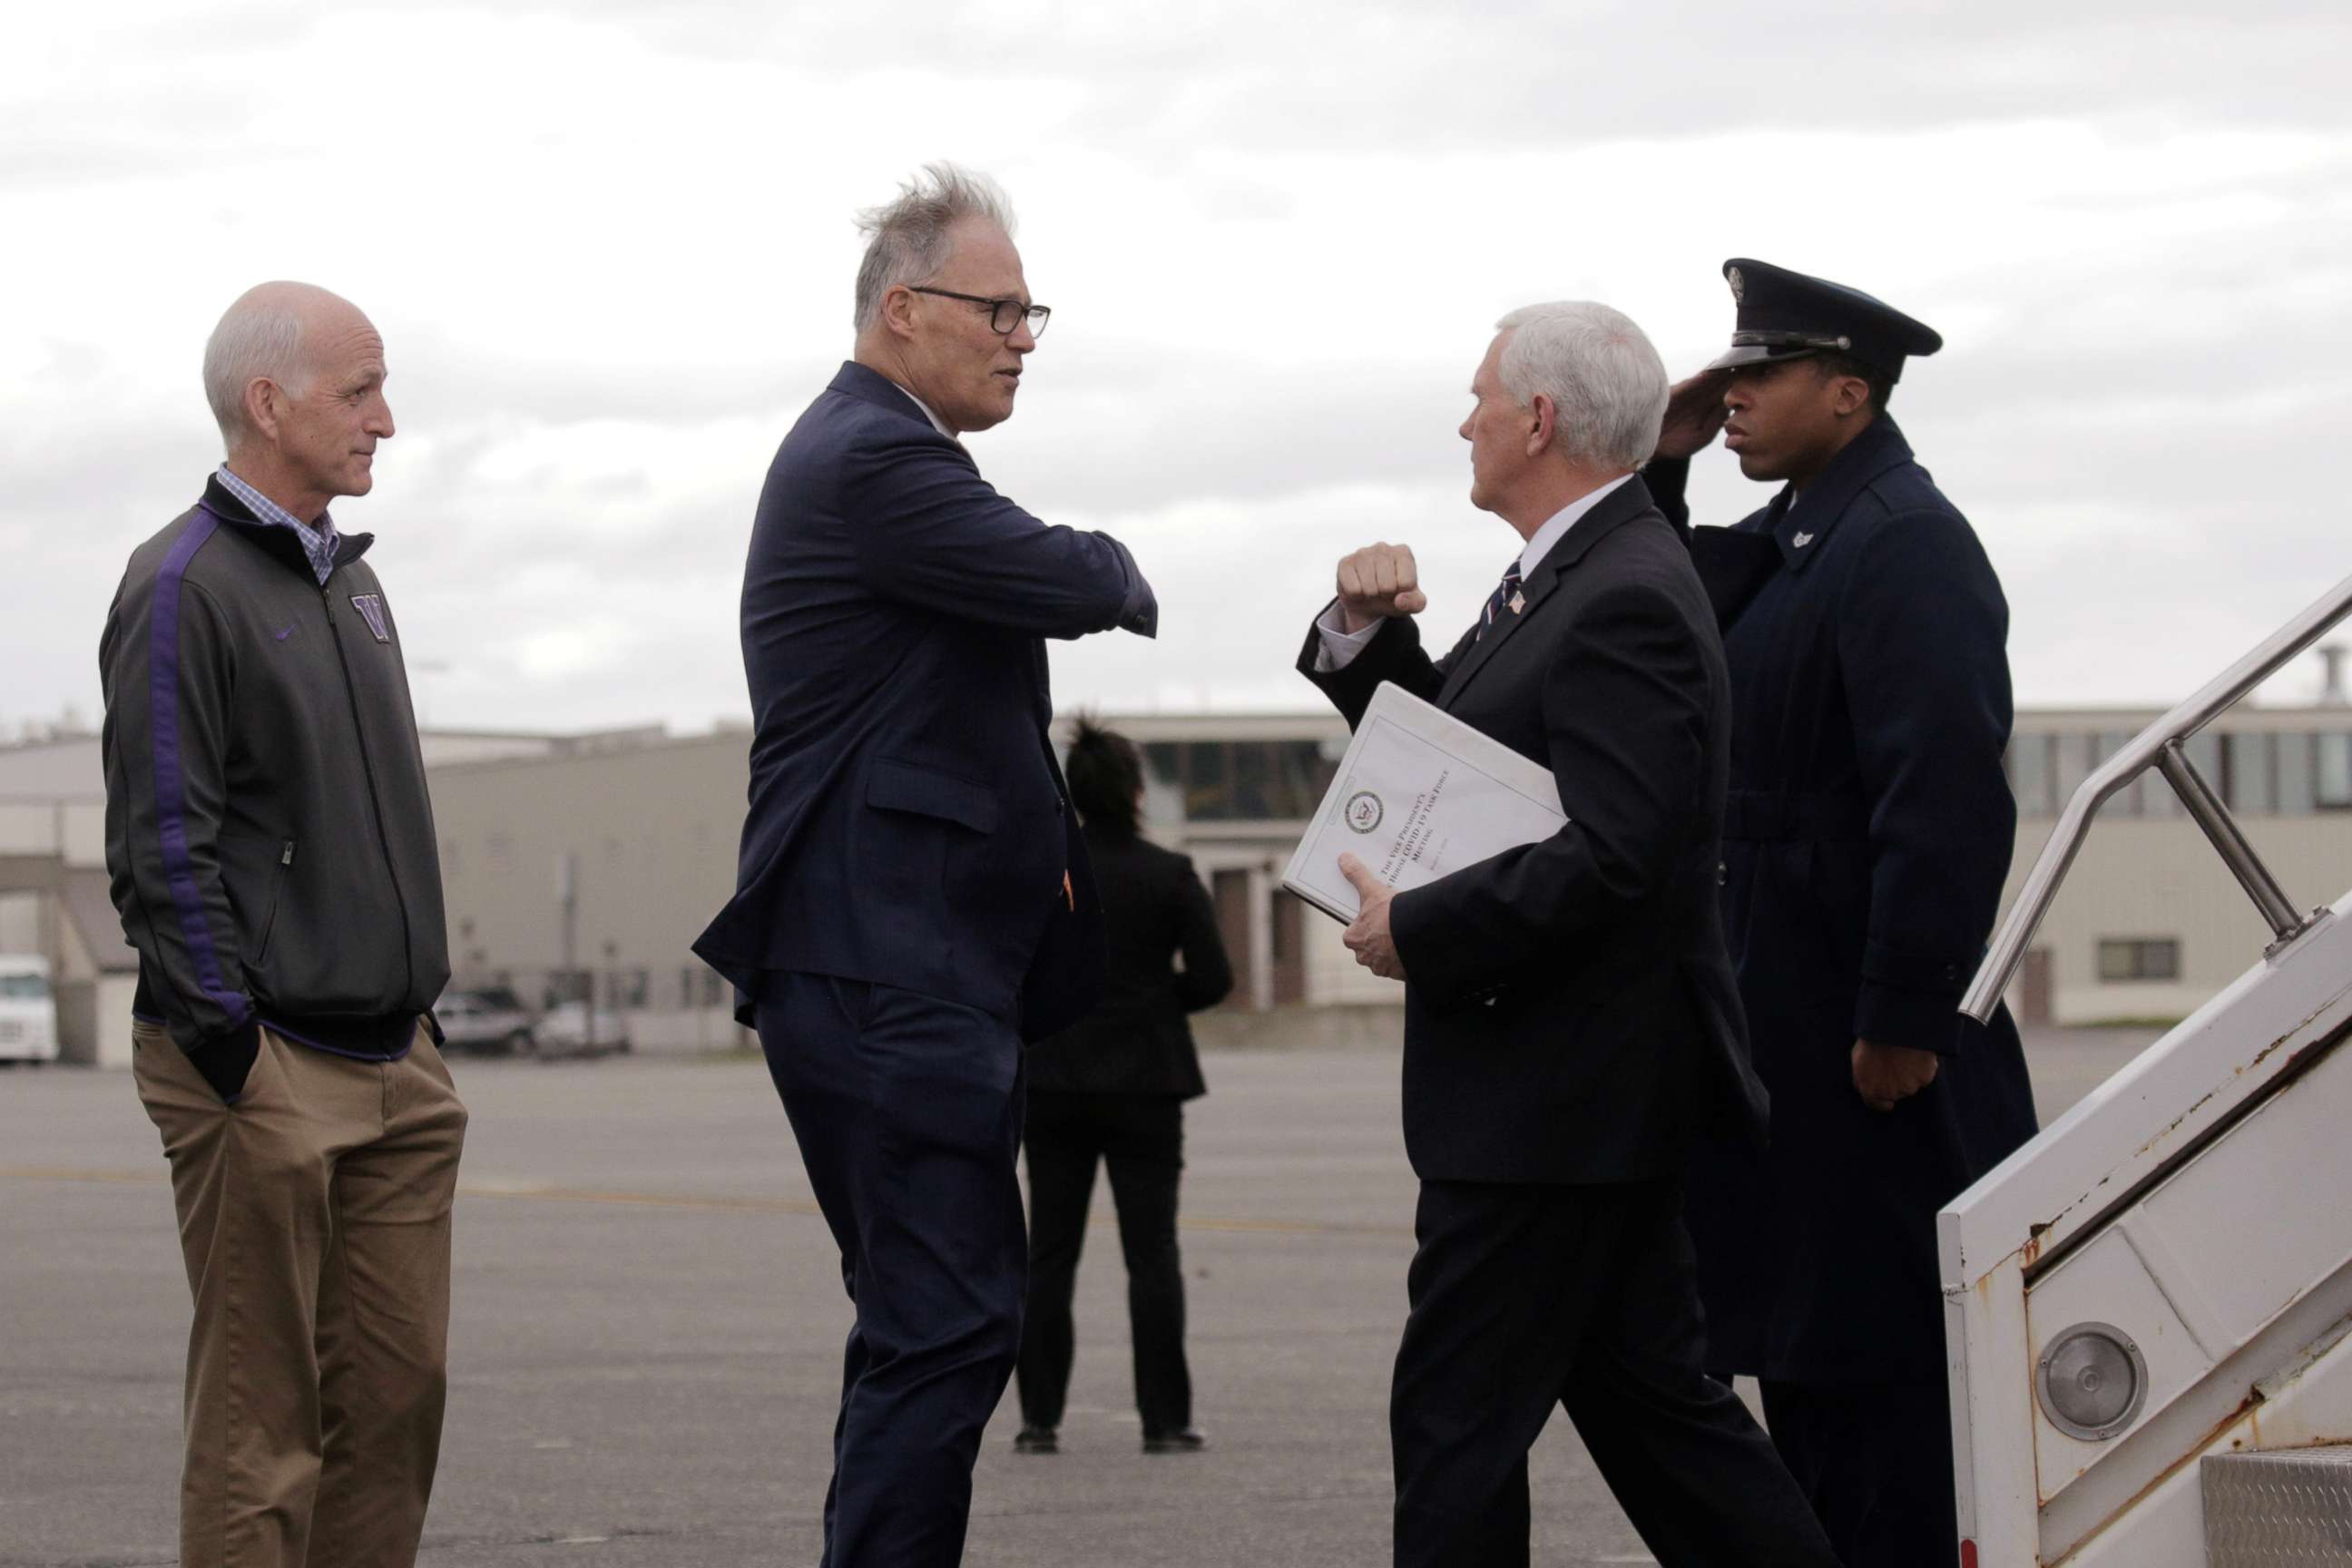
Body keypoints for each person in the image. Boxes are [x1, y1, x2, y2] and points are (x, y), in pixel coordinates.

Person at [1297, 301, 1839, 1568]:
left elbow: (1618, 852)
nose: (1467, 420)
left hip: (1556, 1105)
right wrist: (1370, 642)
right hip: (1573, 1101)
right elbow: (1476, 766)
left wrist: (1417, 929)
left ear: (1538, 418)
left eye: (1482, 395)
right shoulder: (1575, 573)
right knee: (1662, 1420)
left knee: (1457, 1430)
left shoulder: (1623, 594)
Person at [691, 164, 1157, 1568]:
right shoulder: (874, 462)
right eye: (999, 308)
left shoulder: (884, 458)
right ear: (903, 310)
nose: (1022, 336)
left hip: (902, 969)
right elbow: (1086, 585)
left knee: (924, 1322)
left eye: (1033, 313)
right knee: (949, 1324)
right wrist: (1116, 556)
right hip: (888, 967)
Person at [1650, 258, 2040, 1568]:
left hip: (1861, 1036)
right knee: (1807, 1373)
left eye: (1765, 374)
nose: (1737, 394)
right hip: (1787, 1009)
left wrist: (1905, 1014)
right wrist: (1663, 464)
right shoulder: (1804, 532)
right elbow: (1678, 616)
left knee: (1889, 1404)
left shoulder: (1903, 538)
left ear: (1851, 392)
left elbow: (1944, 793)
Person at [99, 281, 467, 1568]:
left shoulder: (355, 591)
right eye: (359, 391)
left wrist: (417, 1024)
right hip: (268, 1067)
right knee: (265, 1433)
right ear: (269, 403)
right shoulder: (181, 586)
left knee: (394, 1404)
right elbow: (161, 847)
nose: (386, 420)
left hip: (394, 1065)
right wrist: (234, 1052)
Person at [1012, 719, 1232, 1456]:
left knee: (1050, 1256)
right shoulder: (1169, 873)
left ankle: (1039, 1419)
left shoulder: (1047, 874)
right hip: (1147, 1079)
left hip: (1055, 1079)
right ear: (1136, 791)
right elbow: (1213, 979)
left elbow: (1014, 970)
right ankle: (1165, 1421)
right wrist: (1153, 1003)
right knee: (1152, 1255)